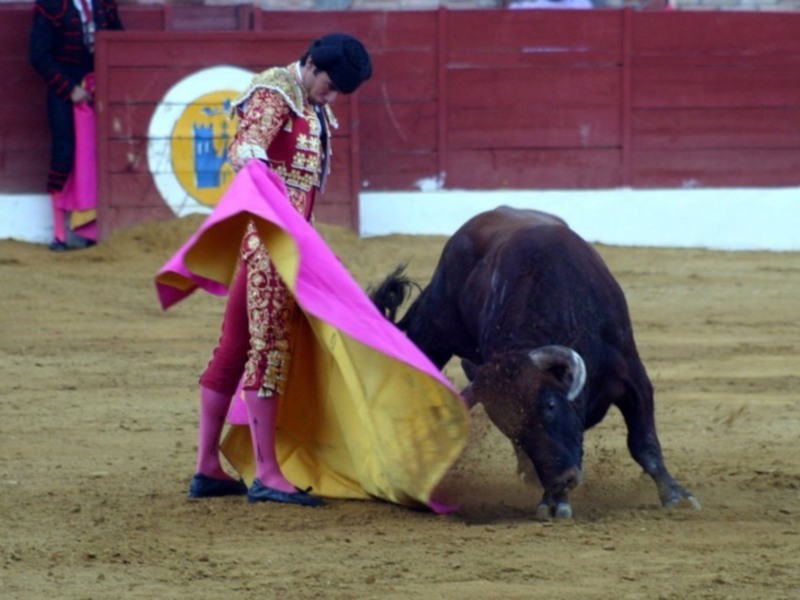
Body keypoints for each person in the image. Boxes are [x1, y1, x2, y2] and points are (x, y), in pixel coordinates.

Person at [187, 33, 373, 506]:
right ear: (310, 64)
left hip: (281, 241)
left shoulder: (307, 100)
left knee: (233, 349)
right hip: (272, 242)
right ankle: (267, 473)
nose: (330, 98)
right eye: (329, 86)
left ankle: (207, 466)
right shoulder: (276, 90)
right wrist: (266, 193)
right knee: (270, 350)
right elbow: (245, 148)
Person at [29, 0, 124, 251]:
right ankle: (59, 234)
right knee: (65, 154)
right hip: (64, 91)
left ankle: (91, 230)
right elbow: (38, 55)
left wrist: (103, 80)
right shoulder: (50, 4)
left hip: (99, 88)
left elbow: (118, 43)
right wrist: (70, 89)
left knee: (97, 156)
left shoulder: (104, 4)